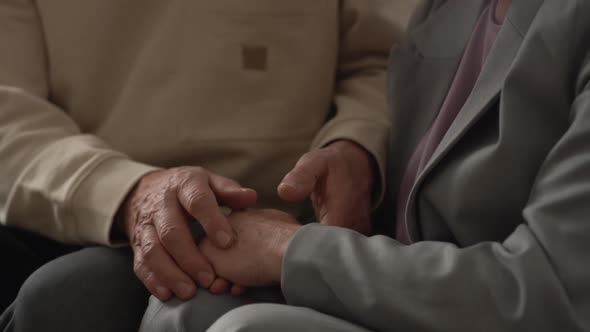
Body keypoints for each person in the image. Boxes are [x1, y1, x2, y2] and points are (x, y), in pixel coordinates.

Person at [141, 0, 590, 330]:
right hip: (405, 293)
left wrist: (287, 249)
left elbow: (549, 293)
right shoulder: (451, 8)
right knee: (189, 302)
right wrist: (356, 163)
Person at [0, 1, 417, 331]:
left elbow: (379, 63)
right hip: (85, 211)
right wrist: (130, 192)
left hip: (294, 219)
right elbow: (9, 114)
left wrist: (354, 148)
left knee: (68, 298)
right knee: (64, 296)